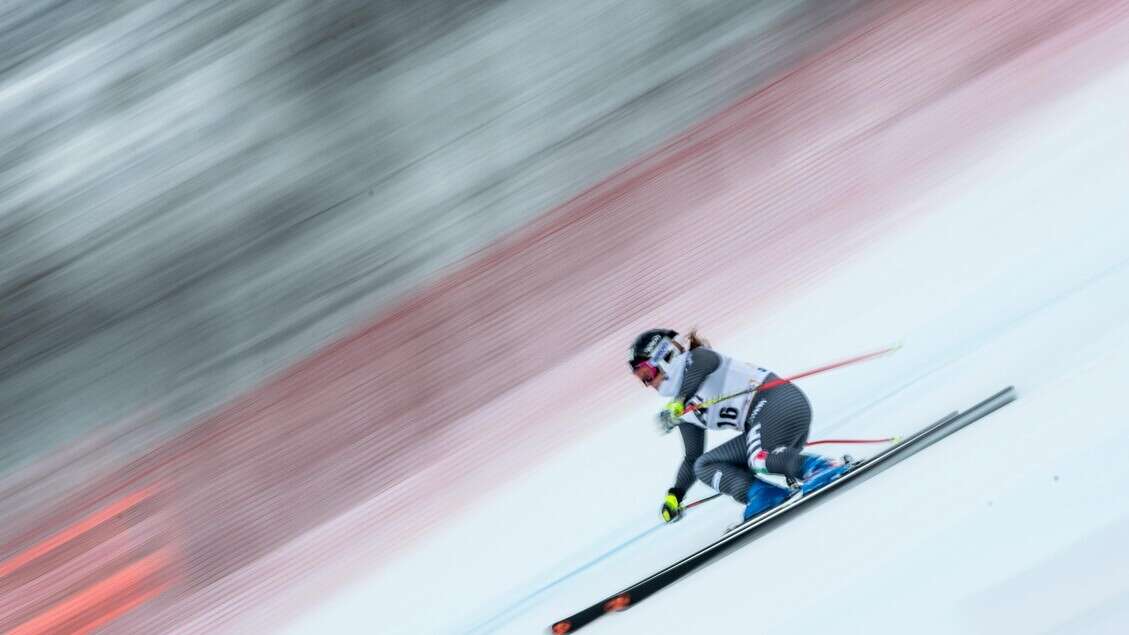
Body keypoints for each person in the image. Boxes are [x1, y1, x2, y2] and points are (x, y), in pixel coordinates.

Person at [628, 328, 849, 523]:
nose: (648, 384)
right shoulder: (683, 408)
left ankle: (822, 466)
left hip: (779, 401)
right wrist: (675, 495)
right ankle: (763, 494)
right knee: (705, 465)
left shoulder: (697, 359)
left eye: (648, 374)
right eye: (643, 379)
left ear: (667, 357)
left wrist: (678, 404)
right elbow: (692, 457)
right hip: (762, 426)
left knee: (758, 456)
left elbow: (702, 369)